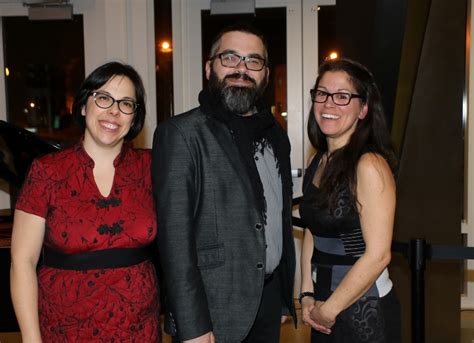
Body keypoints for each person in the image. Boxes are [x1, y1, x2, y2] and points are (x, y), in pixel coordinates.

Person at [152, 23, 296, 343]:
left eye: (253, 61)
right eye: (230, 58)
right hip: (212, 311)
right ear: (209, 67)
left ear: (266, 75)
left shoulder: (275, 136)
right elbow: (175, 244)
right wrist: (193, 326)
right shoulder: (181, 134)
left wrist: (284, 295)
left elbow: (277, 220)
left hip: (268, 301)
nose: (241, 69)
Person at [10, 62, 160, 342]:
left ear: (134, 118)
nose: (114, 111)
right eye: (103, 98)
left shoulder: (152, 168)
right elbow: (22, 261)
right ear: (83, 106)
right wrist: (31, 339)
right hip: (64, 330)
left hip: (140, 330)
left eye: (126, 103)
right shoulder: (47, 172)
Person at [299, 58, 401, 342]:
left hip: (364, 309)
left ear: (363, 108)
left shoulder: (369, 165)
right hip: (322, 304)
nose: (328, 104)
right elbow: (313, 229)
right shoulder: (317, 160)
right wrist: (306, 292)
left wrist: (329, 310)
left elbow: (379, 254)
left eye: (343, 96)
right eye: (322, 93)